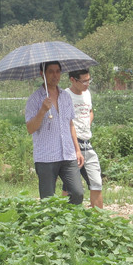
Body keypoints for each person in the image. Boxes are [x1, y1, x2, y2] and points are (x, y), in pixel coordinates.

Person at [25, 61, 85, 204]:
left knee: (78, 193)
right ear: (42, 74)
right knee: (47, 200)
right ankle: (49, 225)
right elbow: (30, 128)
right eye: (51, 71)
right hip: (46, 157)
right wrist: (43, 110)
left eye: (58, 71)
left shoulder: (66, 96)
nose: (55, 75)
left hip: (68, 154)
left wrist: (77, 150)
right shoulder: (34, 99)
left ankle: (68, 222)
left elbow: (70, 124)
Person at [65, 69, 103, 208]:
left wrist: (87, 123)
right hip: (72, 146)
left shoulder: (87, 94)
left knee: (97, 182)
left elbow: (90, 111)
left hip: (87, 144)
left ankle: (99, 221)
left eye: (89, 80)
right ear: (73, 80)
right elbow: (66, 123)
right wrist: (75, 148)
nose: (87, 84)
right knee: (69, 187)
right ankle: (62, 217)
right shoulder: (65, 95)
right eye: (84, 81)